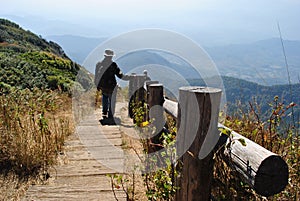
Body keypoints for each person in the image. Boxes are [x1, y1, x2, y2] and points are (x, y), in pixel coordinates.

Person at [94, 49, 130, 120]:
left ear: (105, 56)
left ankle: (104, 113)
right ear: (111, 57)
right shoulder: (113, 65)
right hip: (112, 86)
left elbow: (96, 76)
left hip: (103, 86)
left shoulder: (99, 64)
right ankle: (110, 115)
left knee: (105, 98)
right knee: (112, 100)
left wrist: (97, 85)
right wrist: (130, 77)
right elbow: (120, 75)